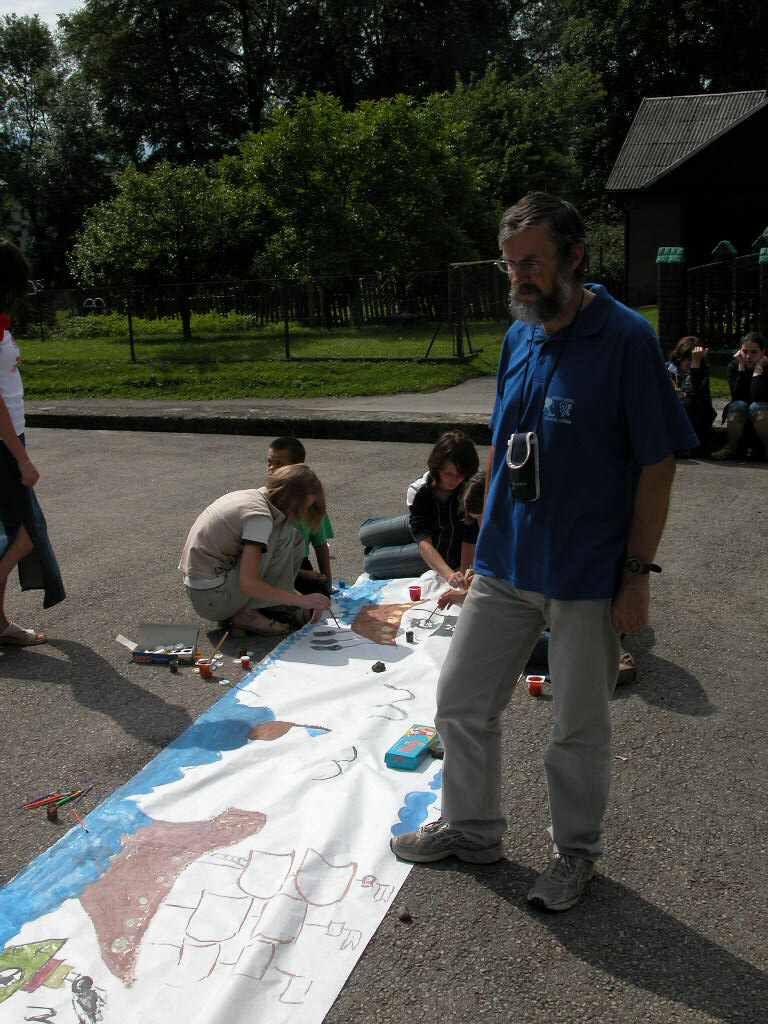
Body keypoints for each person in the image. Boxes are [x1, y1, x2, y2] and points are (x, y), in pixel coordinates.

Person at [390, 192, 696, 912]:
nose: (519, 277)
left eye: (531, 262)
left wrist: (636, 575)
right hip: (505, 563)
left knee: (576, 727)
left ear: (574, 257)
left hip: (585, 573)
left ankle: (575, 855)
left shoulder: (625, 339)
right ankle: (472, 830)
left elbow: (658, 465)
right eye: (510, 265)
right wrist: (478, 544)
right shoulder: (518, 335)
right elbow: (505, 444)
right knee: (460, 701)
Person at [0, 240, 65, 646]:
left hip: (8, 440)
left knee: (16, 531)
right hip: (4, 445)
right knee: (24, 533)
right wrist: (22, 458)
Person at [179, 464, 330, 635]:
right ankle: (248, 615)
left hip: (206, 589)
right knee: (285, 534)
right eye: (306, 507)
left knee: (292, 535)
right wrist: (301, 600)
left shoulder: (255, 497)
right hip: (213, 599)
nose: (305, 513)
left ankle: (273, 603)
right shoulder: (260, 519)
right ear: (293, 500)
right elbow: (249, 584)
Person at [359, 430, 480, 582]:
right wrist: (450, 575)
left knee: (371, 564)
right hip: (426, 530)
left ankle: (382, 549)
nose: (454, 480)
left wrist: (459, 574)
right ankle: (389, 543)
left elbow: (469, 537)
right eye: (448, 474)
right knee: (365, 534)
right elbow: (422, 538)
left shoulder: (470, 488)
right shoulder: (420, 490)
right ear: (437, 467)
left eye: (460, 475)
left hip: (444, 550)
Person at [266, 436, 334, 597]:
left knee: (319, 595)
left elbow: (320, 545)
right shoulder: (265, 501)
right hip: (267, 563)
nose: (271, 469)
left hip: (297, 562)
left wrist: (327, 582)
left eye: (279, 464)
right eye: (269, 462)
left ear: (297, 469)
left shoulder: (311, 501)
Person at [712, 332, 768, 460]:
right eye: (745, 351)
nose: (748, 356)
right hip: (743, 411)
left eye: (754, 352)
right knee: (737, 405)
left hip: (763, 412)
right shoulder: (734, 366)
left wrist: (758, 369)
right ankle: (732, 448)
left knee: (757, 407)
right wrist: (741, 368)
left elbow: (757, 396)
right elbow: (737, 395)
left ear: (763, 352)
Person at [665, 336, 716, 456]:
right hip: (672, 416)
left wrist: (695, 366)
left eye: (694, 359)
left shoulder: (701, 371)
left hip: (696, 416)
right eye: (688, 359)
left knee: (688, 403)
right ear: (680, 357)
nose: (690, 363)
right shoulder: (668, 369)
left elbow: (696, 395)